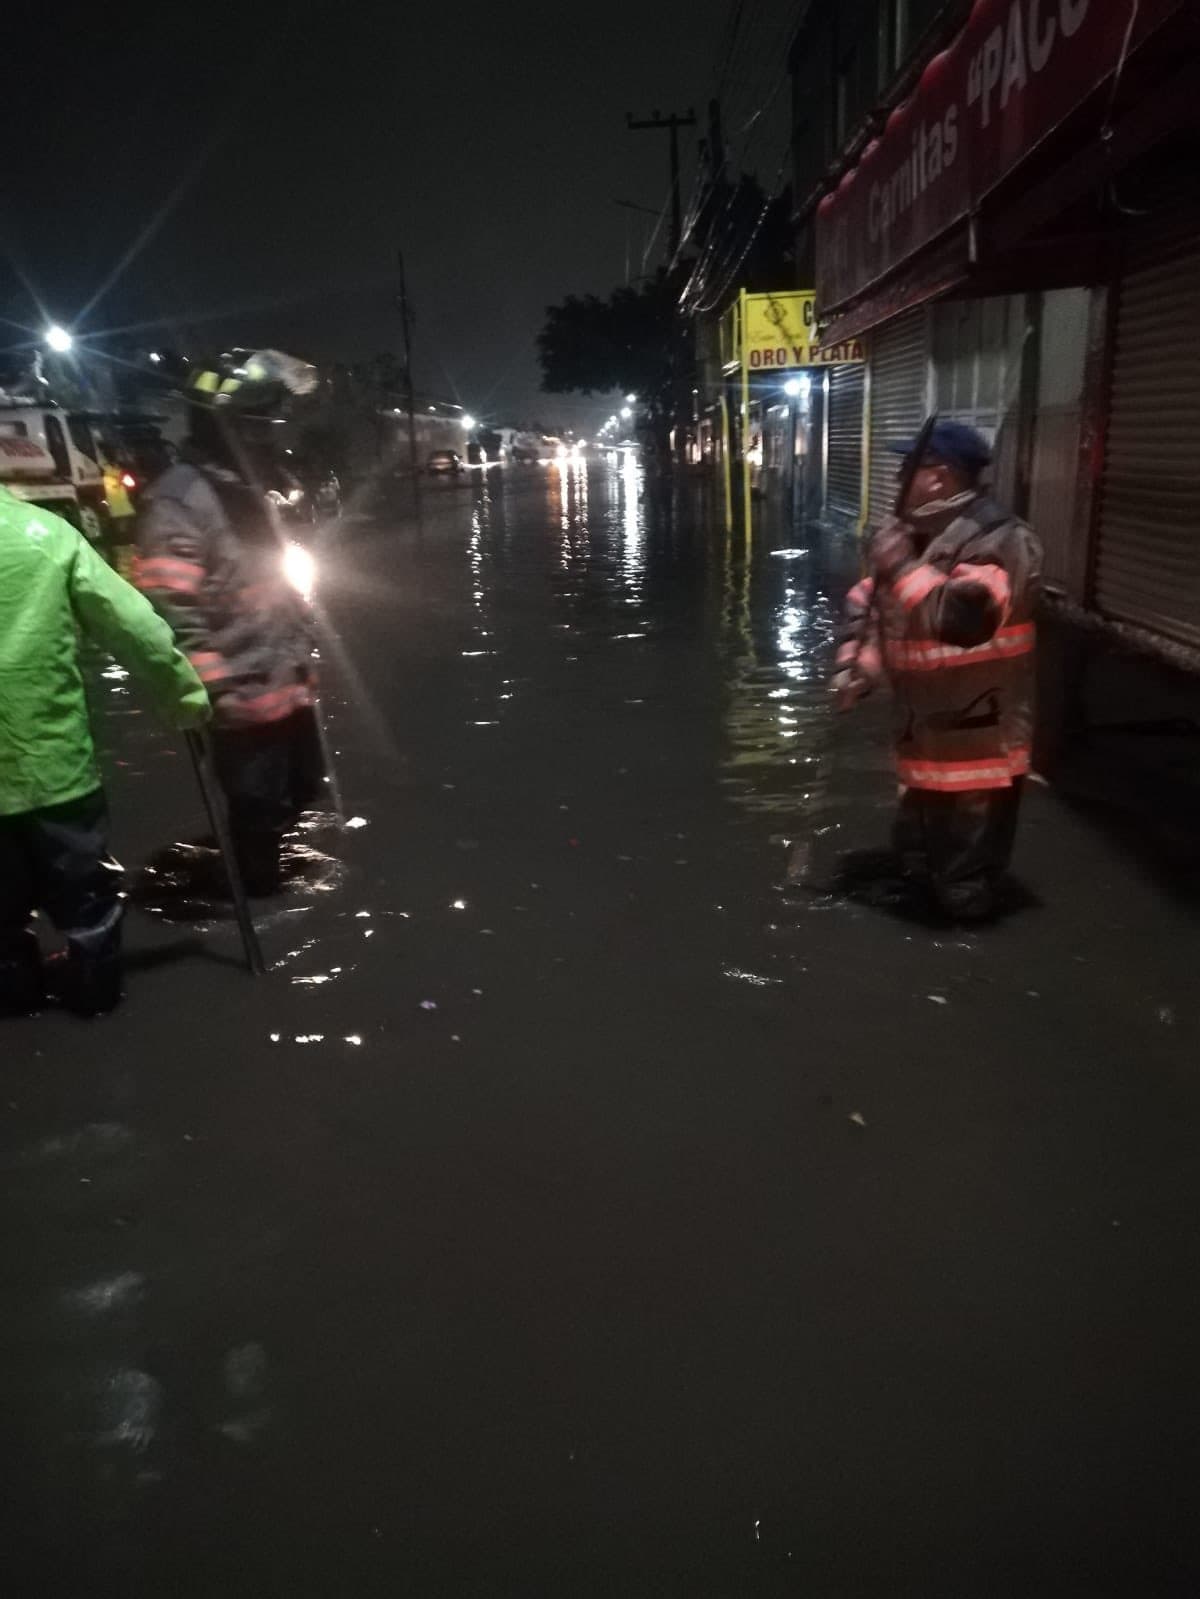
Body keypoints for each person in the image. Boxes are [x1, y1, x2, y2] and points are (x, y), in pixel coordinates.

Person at [0, 484, 210, 1017]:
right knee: (85, 895)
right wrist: (182, 697)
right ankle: (94, 993)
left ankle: (16, 995)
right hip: (55, 770)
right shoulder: (45, 534)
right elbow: (134, 627)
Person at [832, 420, 1043, 921]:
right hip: (922, 738)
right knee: (915, 862)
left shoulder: (1002, 540)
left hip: (977, 745)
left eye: (909, 466)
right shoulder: (917, 534)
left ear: (939, 476)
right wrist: (856, 665)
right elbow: (871, 602)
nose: (899, 475)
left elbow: (966, 619)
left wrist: (903, 566)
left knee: (963, 883)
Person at [136, 349, 325, 897]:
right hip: (240, 697)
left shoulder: (250, 489)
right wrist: (211, 687)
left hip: (284, 682)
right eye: (258, 422)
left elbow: (278, 575)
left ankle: (264, 864)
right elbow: (170, 610)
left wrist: (303, 629)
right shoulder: (180, 500)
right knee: (258, 812)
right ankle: (256, 886)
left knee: (299, 794)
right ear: (225, 424)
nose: (269, 435)